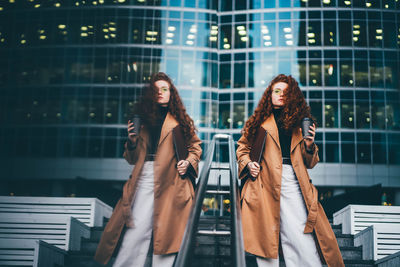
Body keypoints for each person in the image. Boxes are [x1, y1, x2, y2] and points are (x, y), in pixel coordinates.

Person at [94, 72, 202, 266]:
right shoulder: (141, 121)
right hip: (145, 176)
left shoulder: (181, 121)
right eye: (156, 90)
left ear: (171, 93)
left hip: (173, 179)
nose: (160, 93)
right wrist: (132, 142)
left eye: (164, 89)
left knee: (168, 234)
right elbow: (132, 159)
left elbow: (195, 147)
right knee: (137, 230)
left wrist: (188, 162)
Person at [236, 74, 344, 267]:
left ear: (292, 96)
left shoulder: (300, 124)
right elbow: (242, 148)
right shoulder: (258, 122)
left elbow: (310, 162)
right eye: (276, 91)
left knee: (299, 235)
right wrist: (248, 163)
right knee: (265, 239)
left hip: (293, 181)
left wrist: (309, 145)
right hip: (263, 182)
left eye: (285, 92)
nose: (280, 95)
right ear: (269, 94)